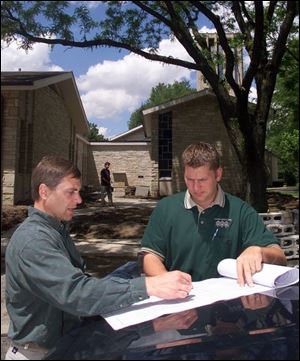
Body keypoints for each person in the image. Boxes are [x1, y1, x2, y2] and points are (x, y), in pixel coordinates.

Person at [5, 156, 192, 360]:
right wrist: (149, 286)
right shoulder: (33, 241)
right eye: (71, 192)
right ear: (44, 191)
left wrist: (154, 324)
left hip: (67, 346)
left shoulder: (56, 231)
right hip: (40, 354)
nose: (79, 200)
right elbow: (78, 295)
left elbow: (83, 302)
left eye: (78, 192)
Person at [141, 142, 286, 286]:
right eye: (189, 179)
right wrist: (166, 281)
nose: (195, 187)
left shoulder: (240, 211)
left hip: (228, 303)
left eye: (202, 180)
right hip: (179, 301)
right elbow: (150, 256)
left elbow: (280, 257)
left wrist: (259, 252)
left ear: (218, 174)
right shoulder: (166, 208)